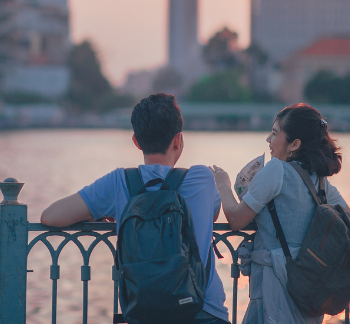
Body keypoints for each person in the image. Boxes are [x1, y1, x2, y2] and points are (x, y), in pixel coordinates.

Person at [41, 93, 230, 324]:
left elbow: (51, 217)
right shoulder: (202, 177)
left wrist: (103, 212)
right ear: (178, 140)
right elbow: (211, 216)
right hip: (203, 309)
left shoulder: (118, 182)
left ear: (136, 141)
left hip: (143, 311)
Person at [211, 103, 349, 324]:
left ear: (294, 144)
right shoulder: (320, 181)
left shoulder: (276, 169)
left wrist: (223, 185)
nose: (268, 140)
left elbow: (236, 220)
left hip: (274, 282)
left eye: (274, 133)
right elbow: (346, 218)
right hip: (308, 283)